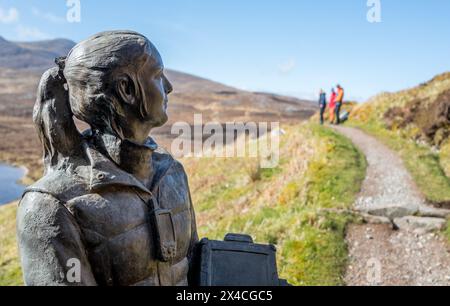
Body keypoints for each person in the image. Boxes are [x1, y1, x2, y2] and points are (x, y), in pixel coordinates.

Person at [17, 31, 198, 286]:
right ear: (127, 89)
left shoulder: (173, 174)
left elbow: (195, 270)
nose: (169, 86)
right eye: (158, 75)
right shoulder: (50, 206)